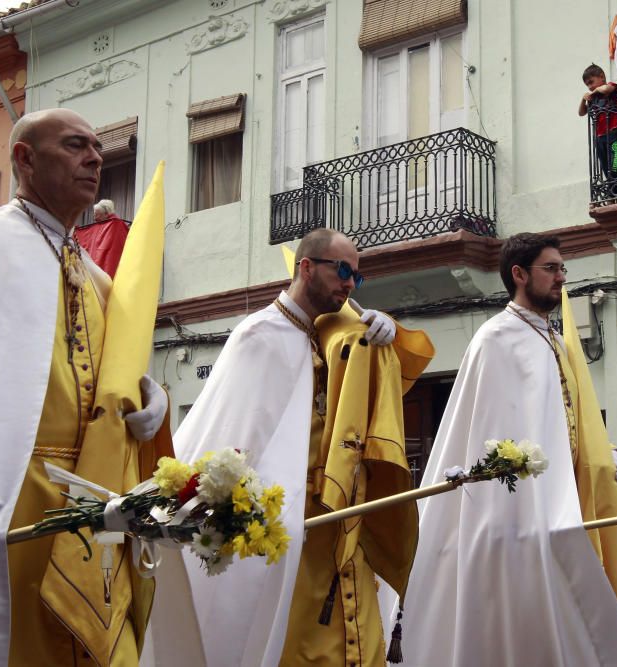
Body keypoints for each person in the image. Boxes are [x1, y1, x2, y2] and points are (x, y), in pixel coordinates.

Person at [0, 108, 170, 666]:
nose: (95, 158)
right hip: (5, 497)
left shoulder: (101, 280)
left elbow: (110, 384)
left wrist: (153, 402)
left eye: (98, 148)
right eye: (75, 145)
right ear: (24, 159)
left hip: (96, 499)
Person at [149, 228, 433, 667]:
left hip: (334, 527)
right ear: (306, 267)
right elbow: (234, 443)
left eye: (358, 276)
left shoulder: (328, 334)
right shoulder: (261, 336)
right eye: (342, 271)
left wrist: (388, 332)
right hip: (281, 535)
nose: (350, 285)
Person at [393, 233, 617, 666]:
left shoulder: (553, 339)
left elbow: (564, 419)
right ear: (519, 274)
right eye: (551, 268)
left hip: (561, 510)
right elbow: (491, 434)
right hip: (513, 521)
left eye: (563, 269)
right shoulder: (496, 339)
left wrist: (604, 455)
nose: (561, 278)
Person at [579, 63, 617, 200]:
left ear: (602, 77)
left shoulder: (611, 87)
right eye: (587, 85)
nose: (589, 86)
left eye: (591, 82)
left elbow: (607, 88)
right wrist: (583, 99)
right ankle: (615, 192)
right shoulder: (594, 99)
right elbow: (581, 112)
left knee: (616, 164)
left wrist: (592, 93)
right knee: (606, 167)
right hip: (600, 137)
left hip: (614, 133)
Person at [75, 198, 129, 277]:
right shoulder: (108, 225)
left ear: (106, 214)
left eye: (97, 215)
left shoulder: (115, 225)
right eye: (94, 214)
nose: (94, 218)